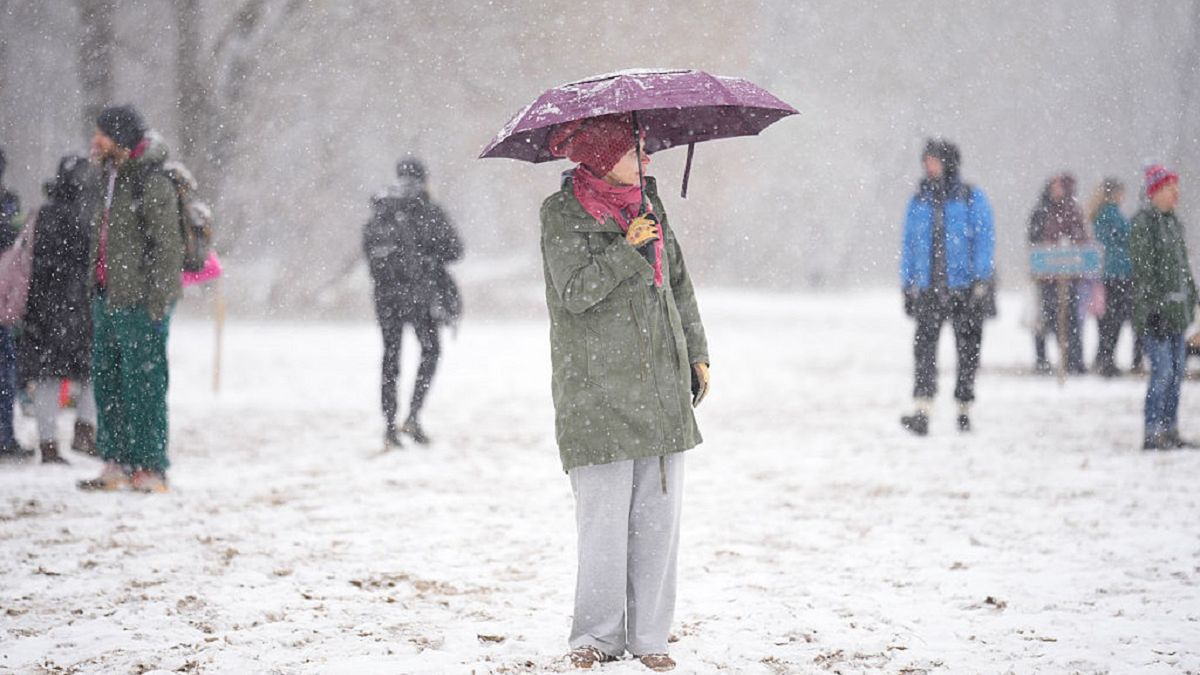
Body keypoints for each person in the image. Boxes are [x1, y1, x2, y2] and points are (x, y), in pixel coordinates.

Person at [540, 113, 709, 672]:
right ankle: (595, 637)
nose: (647, 161)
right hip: (596, 390)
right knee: (604, 523)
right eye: (637, 151)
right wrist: (624, 250)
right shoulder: (561, 215)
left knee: (658, 519)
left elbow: (677, 284)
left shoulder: (650, 207)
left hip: (660, 382)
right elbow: (574, 294)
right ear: (604, 156)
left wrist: (697, 350)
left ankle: (650, 638)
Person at [77, 105, 182, 493]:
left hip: (140, 303)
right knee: (108, 381)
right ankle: (116, 461)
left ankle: (150, 466)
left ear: (120, 138)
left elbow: (167, 248)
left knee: (145, 385)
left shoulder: (151, 181)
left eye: (101, 134)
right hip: (107, 297)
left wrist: (157, 304)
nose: (95, 141)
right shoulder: (109, 178)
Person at [362, 157, 462, 447]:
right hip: (421, 294)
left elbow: (368, 250)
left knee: (390, 356)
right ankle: (414, 415)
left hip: (386, 296)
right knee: (430, 351)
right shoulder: (426, 207)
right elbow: (456, 249)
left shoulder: (382, 208)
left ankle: (389, 425)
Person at [899, 139, 995, 435]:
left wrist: (981, 279)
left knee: (968, 350)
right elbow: (909, 244)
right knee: (924, 349)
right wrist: (908, 283)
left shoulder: (970, 197)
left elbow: (984, 239)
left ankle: (964, 406)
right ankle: (923, 407)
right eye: (926, 161)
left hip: (964, 289)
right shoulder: (919, 200)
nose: (929, 167)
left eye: (934, 161)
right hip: (929, 289)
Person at [19, 155, 99, 464]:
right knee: (91, 372)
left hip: (44, 308)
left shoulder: (42, 216)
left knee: (48, 377)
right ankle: (84, 431)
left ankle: (48, 444)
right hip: (80, 307)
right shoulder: (88, 217)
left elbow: (33, 263)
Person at [1130, 165, 1198, 450]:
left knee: (1178, 371)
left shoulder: (1173, 223)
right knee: (1163, 372)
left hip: (1178, 315)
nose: (1176, 194)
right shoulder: (1144, 223)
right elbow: (1144, 273)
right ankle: (1152, 430)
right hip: (1155, 316)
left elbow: (1183, 269)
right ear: (1156, 190)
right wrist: (1151, 310)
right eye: (1171, 189)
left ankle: (1169, 429)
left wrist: (1194, 296)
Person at [1029, 173, 1090, 374]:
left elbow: (1082, 240)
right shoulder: (1041, 212)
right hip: (1046, 278)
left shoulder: (1072, 212)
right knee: (1045, 319)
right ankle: (1044, 359)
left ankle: (1072, 359)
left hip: (1067, 277)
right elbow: (1033, 239)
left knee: (1070, 319)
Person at [1089, 177, 1142, 377]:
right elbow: (1120, 239)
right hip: (1119, 273)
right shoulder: (1110, 214)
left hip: (1113, 273)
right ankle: (1107, 360)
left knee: (1110, 320)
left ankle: (1105, 358)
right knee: (1115, 319)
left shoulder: (1103, 213)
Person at [0, 146, 33, 460]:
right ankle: (4, 436)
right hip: (4, 300)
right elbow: (16, 242)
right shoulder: (8, 203)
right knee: (5, 372)